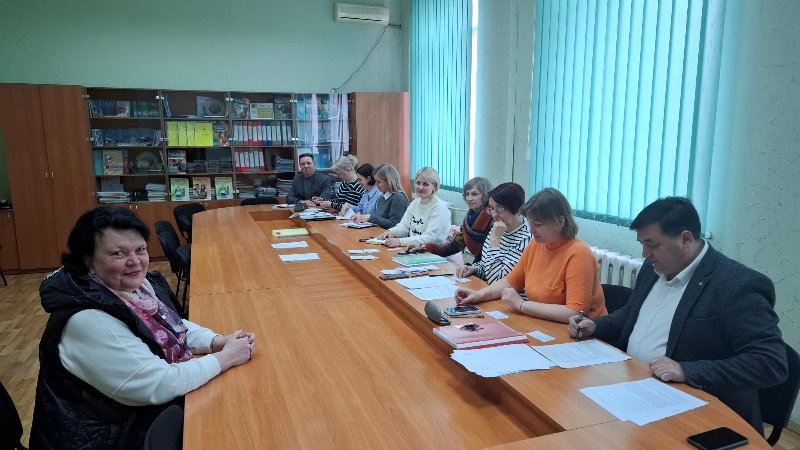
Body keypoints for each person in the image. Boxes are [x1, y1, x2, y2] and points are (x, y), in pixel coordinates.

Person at [30, 207, 255, 448]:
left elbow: (170, 325)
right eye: (119, 253)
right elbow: (160, 384)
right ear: (89, 262)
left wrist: (215, 342)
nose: (135, 262)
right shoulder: (88, 320)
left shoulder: (130, 291)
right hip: (109, 438)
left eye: (140, 250)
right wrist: (226, 358)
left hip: (137, 419)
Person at [568, 197, 787, 433]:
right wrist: (596, 326)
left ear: (685, 239)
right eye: (642, 244)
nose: (645, 253)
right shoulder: (653, 268)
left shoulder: (736, 285)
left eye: (652, 244)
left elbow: (770, 362)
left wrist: (686, 371)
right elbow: (632, 314)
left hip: (695, 413)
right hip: (632, 391)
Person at [455, 187, 606, 323]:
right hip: (544, 322)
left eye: (538, 224)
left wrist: (522, 305)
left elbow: (575, 312)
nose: (531, 229)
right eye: (531, 223)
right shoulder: (537, 244)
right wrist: (480, 295)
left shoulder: (578, 253)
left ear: (561, 221)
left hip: (582, 333)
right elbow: (510, 282)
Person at [456, 182, 531, 284]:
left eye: (500, 209)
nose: (494, 215)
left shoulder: (526, 239)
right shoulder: (499, 227)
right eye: (491, 208)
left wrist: (495, 239)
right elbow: (487, 264)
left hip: (510, 292)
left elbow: (496, 280)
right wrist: (475, 268)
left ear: (516, 208)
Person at [416, 177, 493, 262]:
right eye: (467, 194)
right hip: (478, 264)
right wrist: (426, 247)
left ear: (485, 196)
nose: (469, 198)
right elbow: (454, 247)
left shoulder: (492, 219)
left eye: (474, 194)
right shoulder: (468, 220)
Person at [377, 167, 451, 248]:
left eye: (425, 184)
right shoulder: (415, 203)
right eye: (418, 183)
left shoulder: (439, 207)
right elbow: (404, 227)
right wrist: (390, 232)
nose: (420, 187)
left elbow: (430, 238)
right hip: (415, 249)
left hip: (434, 253)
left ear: (434, 186)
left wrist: (400, 242)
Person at [352, 163, 408, 229]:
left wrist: (370, 218)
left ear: (389, 181)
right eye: (375, 181)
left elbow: (394, 224)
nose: (375, 184)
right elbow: (380, 221)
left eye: (378, 182)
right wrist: (362, 217)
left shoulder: (398, 198)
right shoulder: (381, 197)